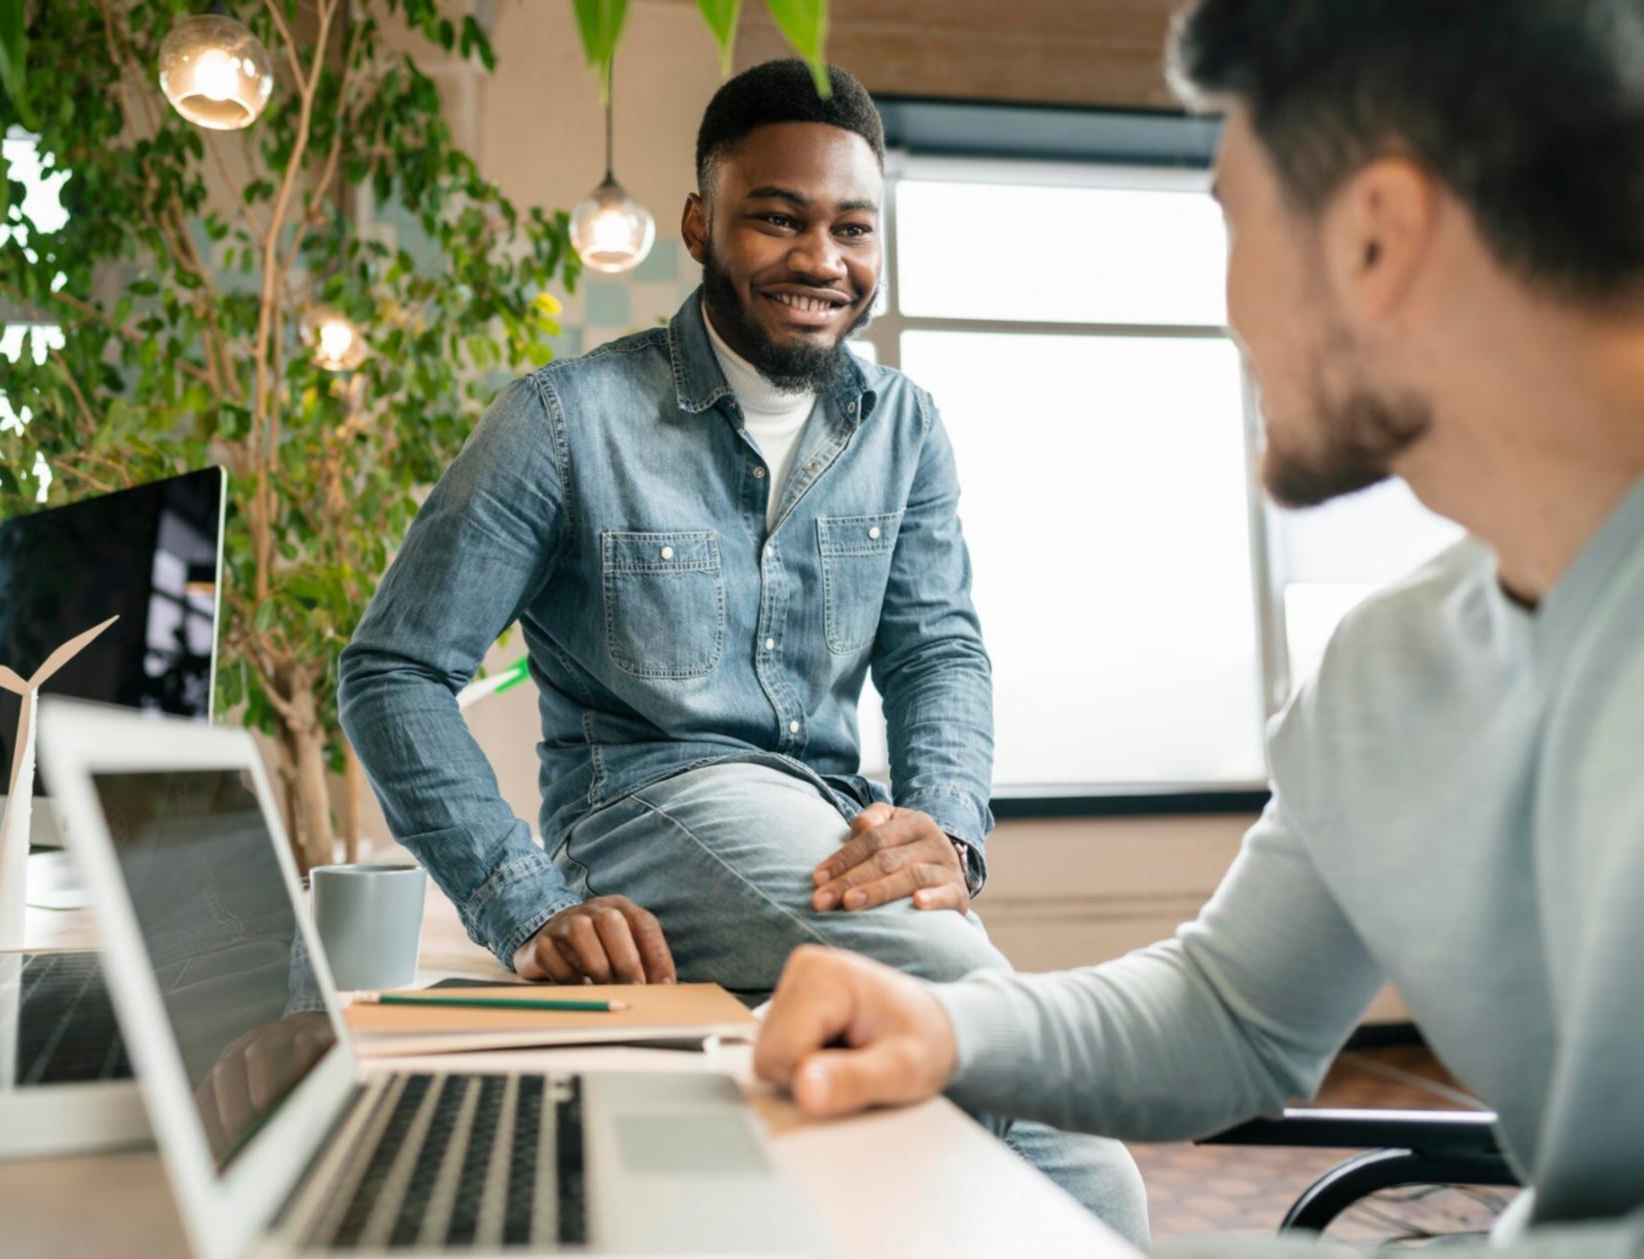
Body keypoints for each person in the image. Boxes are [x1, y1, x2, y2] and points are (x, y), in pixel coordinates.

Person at [752, 1, 1644, 1252]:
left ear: (1379, 240)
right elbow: (1234, 1008)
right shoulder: (1388, 677)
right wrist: (944, 1026)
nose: (1227, 306)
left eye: (1230, 218)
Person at [338, 59, 1147, 1241]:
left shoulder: (906, 425)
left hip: (829, 814)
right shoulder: (562, 420)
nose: (822, 259)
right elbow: (393, 668)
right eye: (779, 217)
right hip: (647, 800)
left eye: (852, 228)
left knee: (914, 1133)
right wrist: (521, 900)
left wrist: (950, 828)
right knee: (1061, 1122)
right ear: (701, 223)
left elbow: (938, 651)